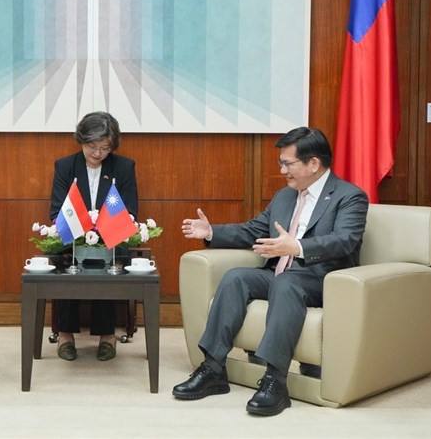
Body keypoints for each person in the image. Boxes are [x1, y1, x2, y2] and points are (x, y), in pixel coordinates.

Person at [172, 127, 368, 416]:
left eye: (287, 163)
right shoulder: (285, 196)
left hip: (322, 280)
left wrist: (297, 247)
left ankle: (275, 381)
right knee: (236, 277)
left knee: (286, 284)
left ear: (313, 164)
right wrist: (212, 231)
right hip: (282, 275)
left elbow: (345, 239)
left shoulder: (349, 196)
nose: (281, 170)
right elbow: (254, 231)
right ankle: (213, 369)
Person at [49, 111, 138, 362]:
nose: (97, 153)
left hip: (110, 236)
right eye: (92, 146)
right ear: (81, 140)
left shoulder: (124, 167)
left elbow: (130, 211)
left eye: (104, 148)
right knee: (65, 256)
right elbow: (56, 210)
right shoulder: (65, 166)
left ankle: (107, 335)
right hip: (74, 236)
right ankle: (65, 334)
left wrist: (103, 231)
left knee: (111, 257)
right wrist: (81, 230)